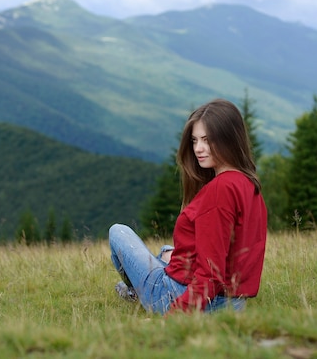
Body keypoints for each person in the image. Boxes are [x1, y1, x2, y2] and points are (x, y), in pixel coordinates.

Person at [109, 98, 267, 315]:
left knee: (118, 232)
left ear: (228, 139)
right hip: (234, 301)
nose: (198, 149)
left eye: (206, 140)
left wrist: (174, 316)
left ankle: (137, 293)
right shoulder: (247, 182)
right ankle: (147, 280)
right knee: (167, 251)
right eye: (194, 140)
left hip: (183, 298)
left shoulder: (220, 190)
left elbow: (211, 274)